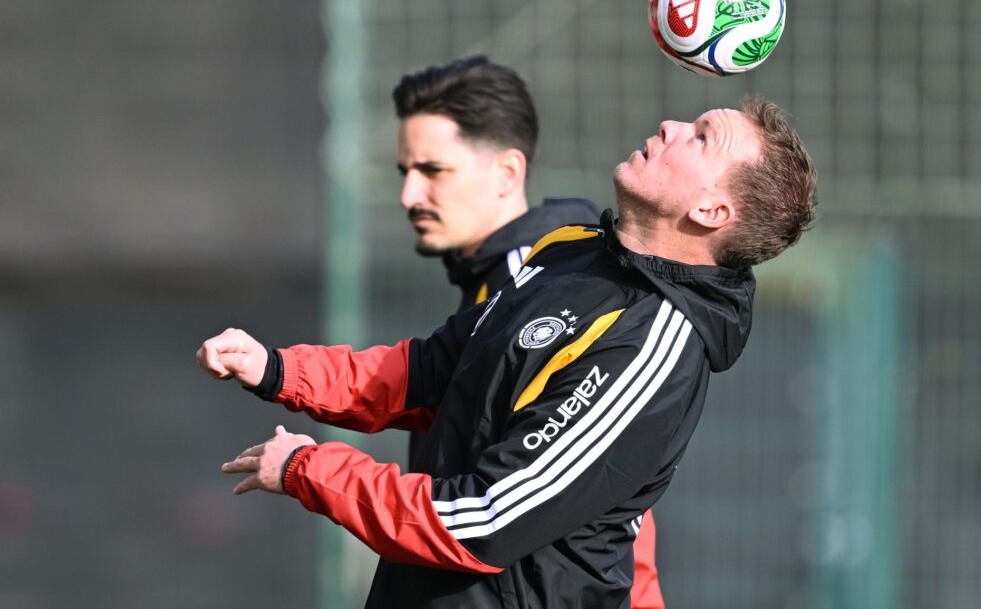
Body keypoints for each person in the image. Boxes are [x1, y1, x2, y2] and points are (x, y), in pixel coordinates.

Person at [197, 95, 817, 608]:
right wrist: (280, 370)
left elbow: (484, 520)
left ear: (712, 211)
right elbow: (433, 371)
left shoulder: (653, 349)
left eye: (702, 138)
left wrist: (313, 471)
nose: (671, 125)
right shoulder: (573, 250)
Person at [392, 55, 663, 607]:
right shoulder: (509, 281)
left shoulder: (547, 290)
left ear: (507, 173)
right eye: (405, 173)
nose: (410, 196)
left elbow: (608, 504)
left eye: (432, 171)